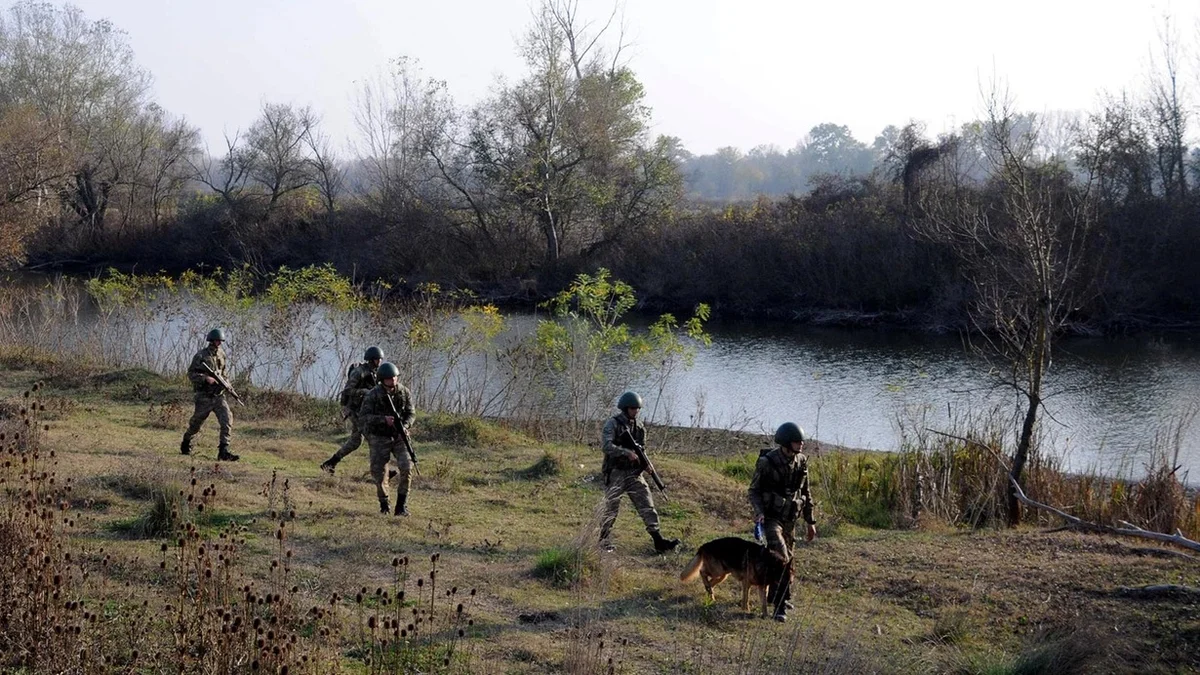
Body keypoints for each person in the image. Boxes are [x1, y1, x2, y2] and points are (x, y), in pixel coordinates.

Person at [748, 422, 817, 622]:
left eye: (802, 441)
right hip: (771, 518)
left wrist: (810, 521)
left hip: (790, 519)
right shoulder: (767, 462)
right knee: (781, 557)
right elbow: (754, 490)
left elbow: (806, 493)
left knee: (790, 559)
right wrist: (759, 512)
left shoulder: (801, 461)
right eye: (797, 441)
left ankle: (777, 596)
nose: (801, 444)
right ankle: (780, 607)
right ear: (787, 443)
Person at [597, 391, 680, 554]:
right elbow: (606, 446)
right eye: (633, 408)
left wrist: (645, 465)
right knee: (611, 507)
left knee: (647, 505)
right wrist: (625, 452)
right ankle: (604, 539)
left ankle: (658, 540)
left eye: (637, 408)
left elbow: (641, 449)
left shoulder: (639, 427)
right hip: (616, 473)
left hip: (634, 473)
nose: (636, 411)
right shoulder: (612, 424)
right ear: (625, 408)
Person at [357, 362, 416, 516]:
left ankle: (401, 506)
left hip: (399, 436)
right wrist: (383, 420)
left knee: (407, 466)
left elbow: (411, 413)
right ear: (383, 379)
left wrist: (405, 425)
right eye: (390, 378)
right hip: (379, 436)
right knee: (379, 472)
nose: (393, 381)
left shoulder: (404, 392)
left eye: (395, 377)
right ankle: (384, 504)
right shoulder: (373, 395)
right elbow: (364, 418)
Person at [320, 346, 384, 474]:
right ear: (371, 359)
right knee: (373, 439)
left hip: (364, 410)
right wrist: (364, 392)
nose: (380, 362)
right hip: (354, 410)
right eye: (378, 359)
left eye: (381, 359)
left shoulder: (375, 373)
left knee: (355, 442)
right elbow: (348, 390)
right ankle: (380, 471)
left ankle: (330, 463)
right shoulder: (359, 372)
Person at [180, 328, 239, 461]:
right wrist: (205, 378)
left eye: (220, 341)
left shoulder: (222, 355)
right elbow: (191, 374)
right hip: (204, 396)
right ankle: (186, 441)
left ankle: (223, 451)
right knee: (196, 423)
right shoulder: (201, 355)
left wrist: (228, 384)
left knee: (227, 420)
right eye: (217, 340)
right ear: (211, 340)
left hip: (218, 395)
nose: (218, 343)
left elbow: (224, 373)